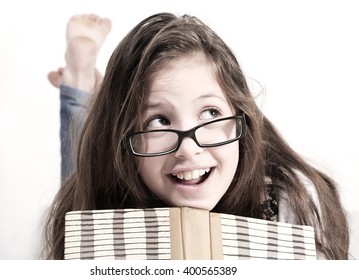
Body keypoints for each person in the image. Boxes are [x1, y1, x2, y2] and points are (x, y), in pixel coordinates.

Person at [44, 13, 350, 260]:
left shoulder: (291, 197)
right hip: (110, 167)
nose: (189, 150)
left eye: (211, 113)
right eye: (159, 121)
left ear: (240, 113)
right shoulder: (99, 186)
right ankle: (79, 83)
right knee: (85, 163)